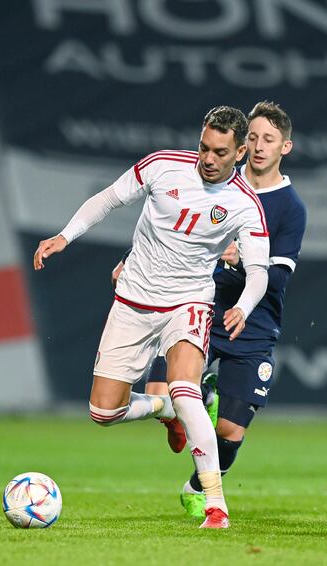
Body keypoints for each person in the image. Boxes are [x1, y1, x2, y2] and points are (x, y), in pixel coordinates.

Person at [33, 106, 271, 529]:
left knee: (186, 390)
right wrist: (64, 236)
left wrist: (243, 306)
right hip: (133, 302)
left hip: (189, 304)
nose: (208, 159)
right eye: (204, 147)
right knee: (103, 412)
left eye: (220, 152)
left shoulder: (245, 205)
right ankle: (163, 408)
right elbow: (108, 197)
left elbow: (257, 271)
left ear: (239, 153)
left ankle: (215, 503)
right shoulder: (164, 166)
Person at [113, 101, 306, 518]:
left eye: (267, 140)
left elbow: (278, 278)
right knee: (158, 396)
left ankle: (198, 483)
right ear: (239, 144)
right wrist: (133, 260)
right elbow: (166, 231)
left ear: (284, 147)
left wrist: (240, 259)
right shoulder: (208, 183)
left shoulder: (288, 207)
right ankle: (194, 398)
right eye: (252, 137)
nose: (257, 146)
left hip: (251, 326)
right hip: (195, 308)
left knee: (231, 434)